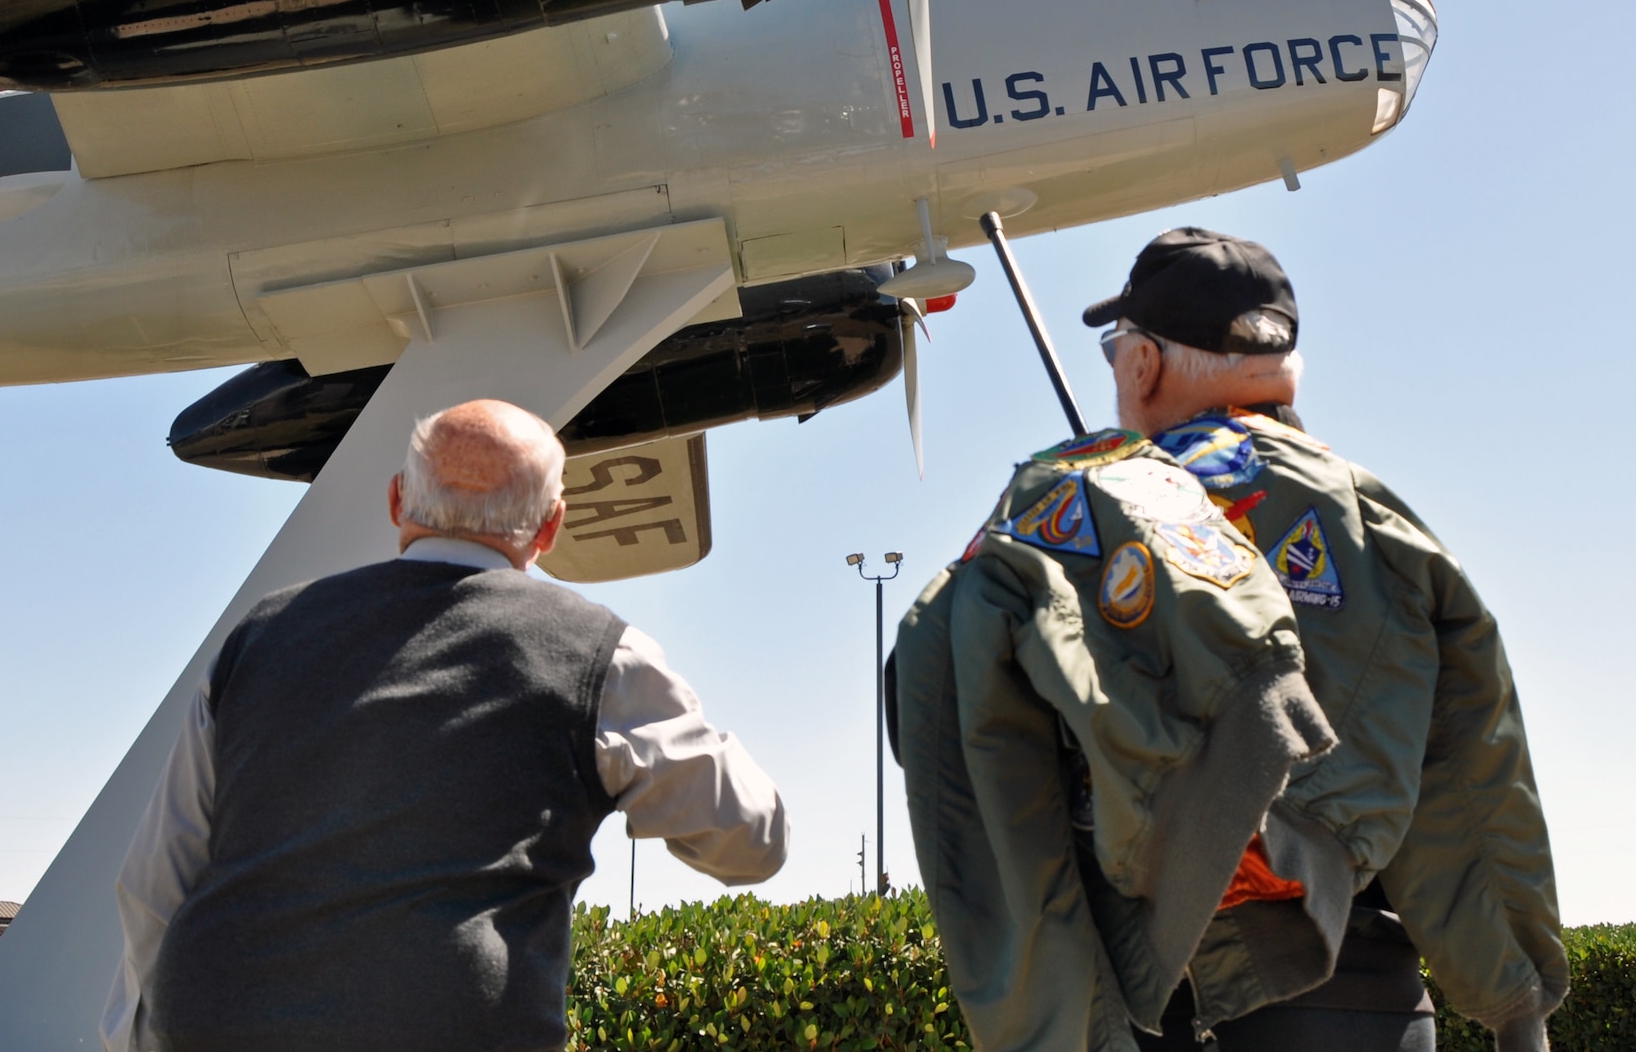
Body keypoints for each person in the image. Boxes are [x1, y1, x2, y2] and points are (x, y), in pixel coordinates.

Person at [897, 227, 1561, 1052]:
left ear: (1143, 364)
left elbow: (965, 744)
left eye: (1118, 351)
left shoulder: (1064, 512)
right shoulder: (1376, 520)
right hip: (1370, 1005)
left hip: (1167, 1005)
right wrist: (1515, 1002)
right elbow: (1471, 781)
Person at [101, 398, 787, 1052]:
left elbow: (155, 877)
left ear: (398, 500)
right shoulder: (600, 655)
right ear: (550, 527)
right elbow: (751, 841)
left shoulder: (258, 637)